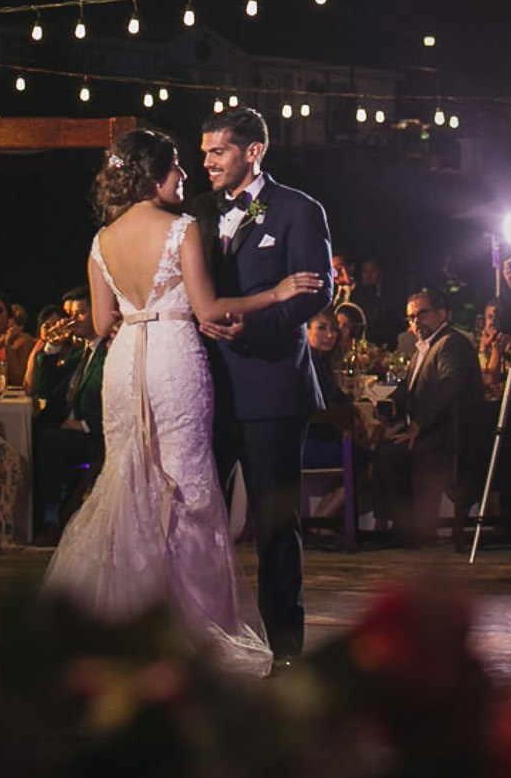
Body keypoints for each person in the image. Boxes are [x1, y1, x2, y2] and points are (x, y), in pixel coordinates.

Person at [42, 127, 321, 677]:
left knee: (130, 481)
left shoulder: (101, 240)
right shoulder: (185, 223)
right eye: (179, 163)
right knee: (187, 492)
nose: (192, 169)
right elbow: (208, 308)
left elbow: (99, 323)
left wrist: (116, 320)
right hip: (175, 361)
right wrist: (275, 292)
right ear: (153, 176)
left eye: (215, 152)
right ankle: (188, 625)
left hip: (131, 364)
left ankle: (124, 622)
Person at [193, 108, 333, 670]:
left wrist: (254, 326)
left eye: (218, 151)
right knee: (195, 521)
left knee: (276, 525)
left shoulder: (298, 209)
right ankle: (197, 642)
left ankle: (287, 652)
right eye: (204, 152)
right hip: (203, 387)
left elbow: (315, 291)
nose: (207, 162)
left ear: (252, 151)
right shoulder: (197, 212)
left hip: (272, 388)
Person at [375, 290, 484, 548]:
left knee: (388, 454)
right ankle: (405, 527)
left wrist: (418, 424)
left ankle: (407, 530)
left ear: (442, 313)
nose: (416, 322)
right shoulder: (423, 349)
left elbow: (450, 387)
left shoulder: (451, 343)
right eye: (411, 317)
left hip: (449, 436)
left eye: (422, 314)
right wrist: (385, 403)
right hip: (431, 432)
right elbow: (409, 389)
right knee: (383, 448)